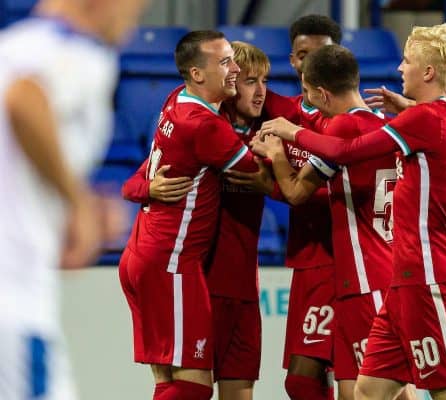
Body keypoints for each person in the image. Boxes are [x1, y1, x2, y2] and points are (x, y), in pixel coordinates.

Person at [256, 23, 446, 400]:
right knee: (367, 393)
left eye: (407, 61)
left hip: (426, 275)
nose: (399, 69)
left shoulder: (412, 122)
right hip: (403, 276)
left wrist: (289, 134)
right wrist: (409, 108)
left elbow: (340, 153)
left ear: (428, 72)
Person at [252, 44, 420, 400]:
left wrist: (277, 154)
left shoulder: (343, 129)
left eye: (309, 95)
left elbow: (297, 192)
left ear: (322, 93)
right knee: (356, 391)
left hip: (367, 278)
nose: (308, 101)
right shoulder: (384, 126)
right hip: (364, 276)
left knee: (389, 389)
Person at [0, 0, 147, 399]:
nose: (134, 24)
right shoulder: (75, 51)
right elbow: (25, 100)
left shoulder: (13, 47)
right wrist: (77, 202)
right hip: (14, 304)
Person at [122, 40, 270, 400]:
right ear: (197, 73)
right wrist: (289, 148)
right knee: (192, 386)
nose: (233, 71)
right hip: (173, 263)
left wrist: (145, 188)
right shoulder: (206, 126)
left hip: (150, 254)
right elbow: (267, 178)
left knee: (171, 380)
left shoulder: (177, 100)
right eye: (227, 64)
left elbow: (135, 181)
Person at [227, 14, 342, 400]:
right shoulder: (281, 108)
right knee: (314, 382)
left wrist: (271, 185)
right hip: (308, 262)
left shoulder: (347, 123)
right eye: (303, 55)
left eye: (320, 55)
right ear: (292, 60)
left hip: (342, 260)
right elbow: (232, 87)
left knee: (331, 381)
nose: (310, 64)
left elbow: (338, 193)